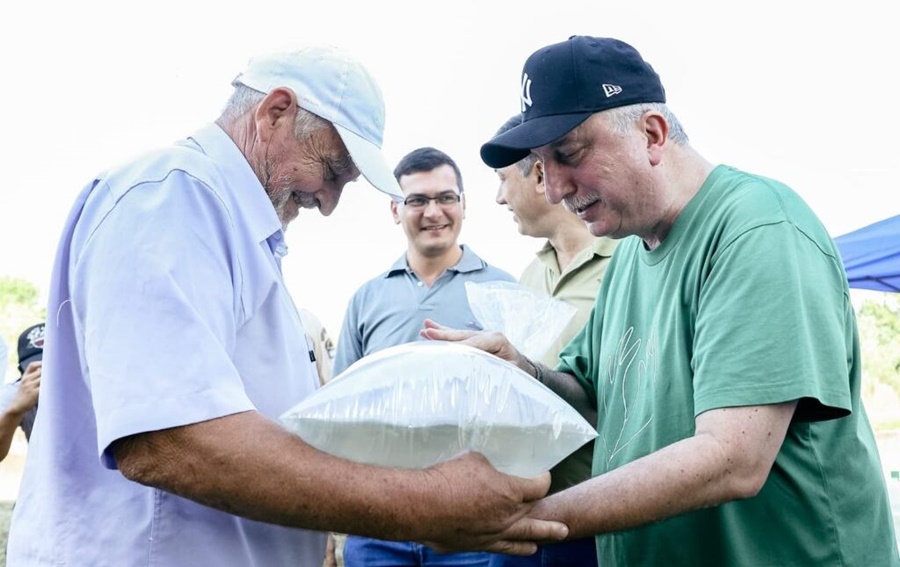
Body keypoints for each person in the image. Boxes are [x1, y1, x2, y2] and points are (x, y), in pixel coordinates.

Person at [6, 46, 567, 566]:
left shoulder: (225, 219)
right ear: (275, 112)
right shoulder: (171, 197)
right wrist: (427, 503)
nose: (327, 203)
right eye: (331, 172)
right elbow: (170, 440)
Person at [423, 36, 900, 565]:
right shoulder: (630, 254)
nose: (554, 187)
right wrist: (524, 370)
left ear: (652, 134)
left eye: (568, 154)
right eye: (540, 163)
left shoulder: (757, 228)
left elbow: (731, 458)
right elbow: (592, 393)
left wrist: (520, 522)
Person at [333, 146, 517, 567]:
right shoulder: (367, 299)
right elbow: (342, 413)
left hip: (471, 525)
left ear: (464, 205)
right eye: (417, 200)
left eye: (446, 198)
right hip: (378, 523)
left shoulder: (505, 291)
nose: (433, 212)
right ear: (395, 210)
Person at [488, 114, 618, 567]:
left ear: (541, 173)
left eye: (504, 180)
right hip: (525, 519)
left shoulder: (629, 262)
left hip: (599, 522)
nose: (499, 197)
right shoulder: (529, 275)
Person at [0, 323, 43, 462]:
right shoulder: (20, 392)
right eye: (37, 369)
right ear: (23, 372)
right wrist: (15, 411)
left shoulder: (91, 386)